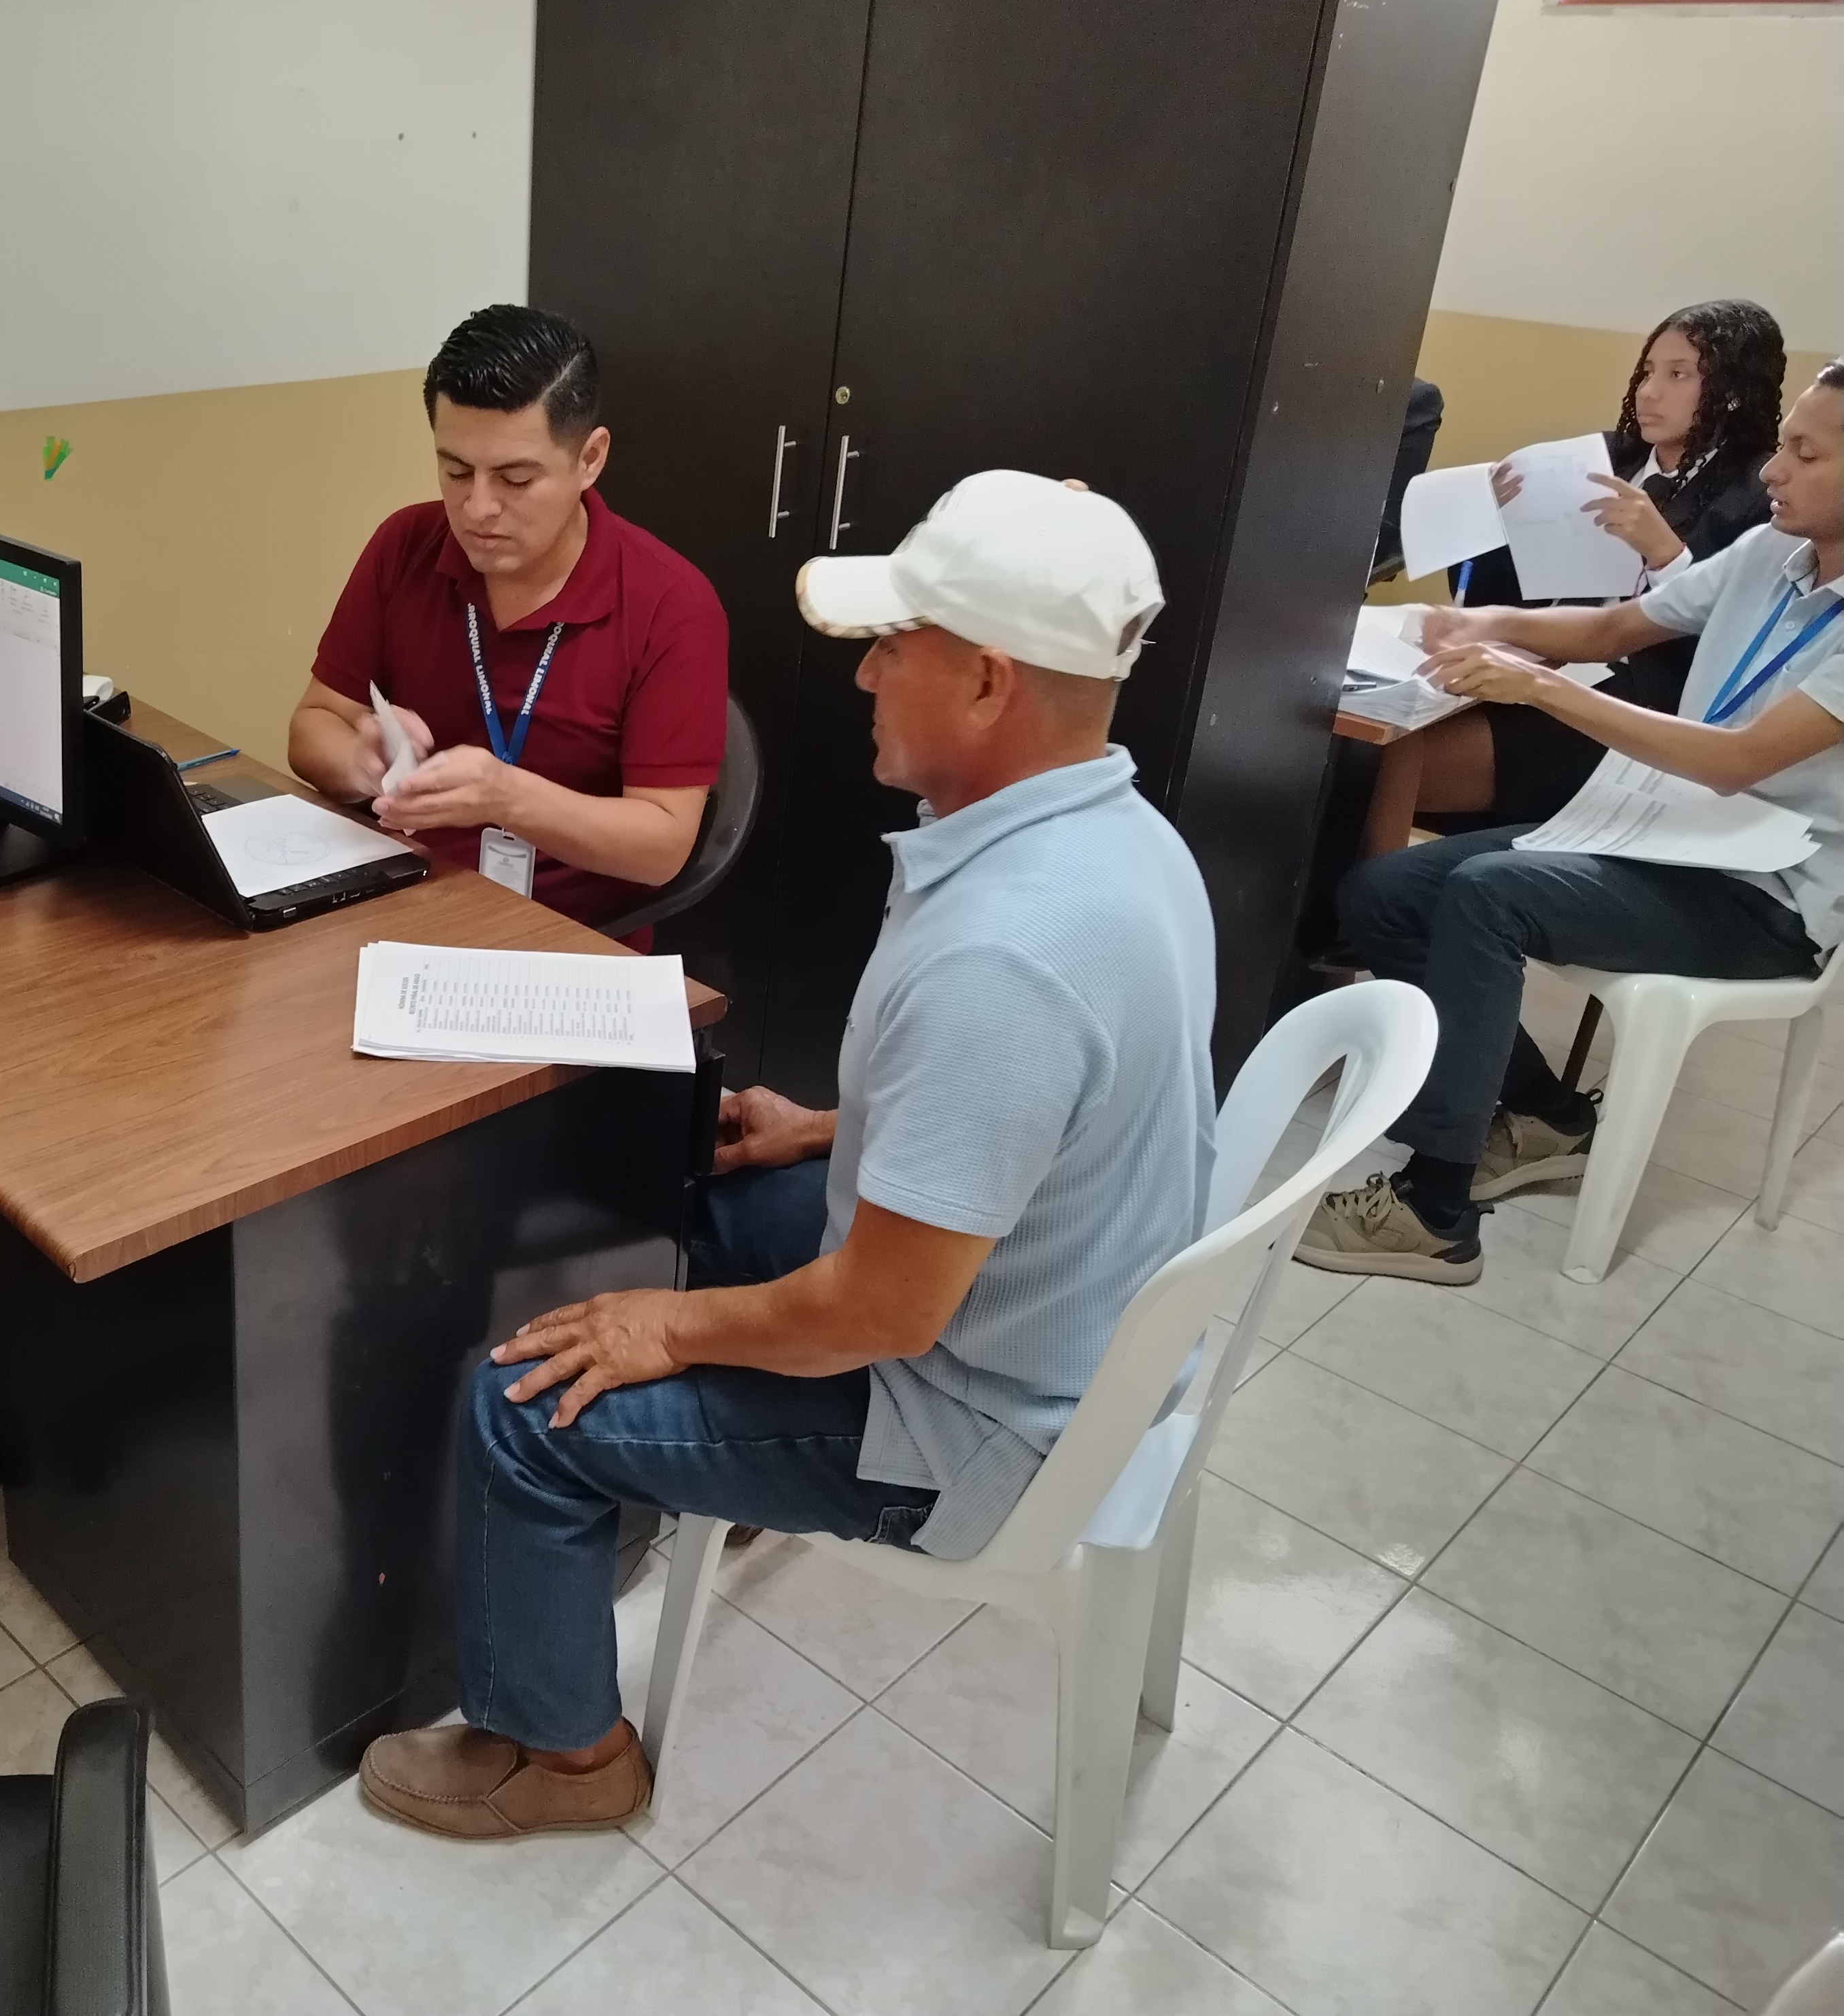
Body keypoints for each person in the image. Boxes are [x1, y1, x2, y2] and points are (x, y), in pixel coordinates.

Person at [352, 472, 1216, 1839]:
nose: (865, 674)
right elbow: (1044, 1121)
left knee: (519, 1411)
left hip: (973, 1420)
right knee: (690, 1193)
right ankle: (721, 1464)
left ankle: (565, 1760)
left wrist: (671, 1329)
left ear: (987, 681)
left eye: (894, 645)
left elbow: (881, 1314)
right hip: (1063, 1321)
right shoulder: (1124, 838)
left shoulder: (1001, 955)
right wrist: (825, 1131)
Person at [1301, 361, 1844, 1283]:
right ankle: (1544, 1113)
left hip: (1766, 896)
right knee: (1385, 891)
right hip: (1669, 835)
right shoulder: (1768, 555)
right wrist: (1477, 623)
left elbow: (1738, 759)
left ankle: (1435, 1210)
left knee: (1489, 894)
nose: (1773, 470)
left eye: (1805, 453)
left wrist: (1539, 689)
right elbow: (1614, 629)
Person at [288, 304, 728, 938]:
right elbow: (312, 726)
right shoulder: (406, 546)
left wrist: (507, 798)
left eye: (516, 479)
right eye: (455, 471)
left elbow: (662, 847)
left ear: (590, 459)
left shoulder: (671, 603)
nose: (478, 508)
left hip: (567, 941)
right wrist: (361, 761)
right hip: (398, 905)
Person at [1361, 300, 1786, 858]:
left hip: (1630, 709)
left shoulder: (1758, 495)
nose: (1649, 392)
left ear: (1732, 390)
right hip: (1537, 660)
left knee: (1385, 767)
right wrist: (1492, 525)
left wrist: (1666, 555)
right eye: (1647, 372)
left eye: (1678, 375)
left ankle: (1367, 896)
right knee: (1360, 739)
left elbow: (1733, 644)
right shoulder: (1603, 457)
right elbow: (1499, 593)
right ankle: (1356, 896)